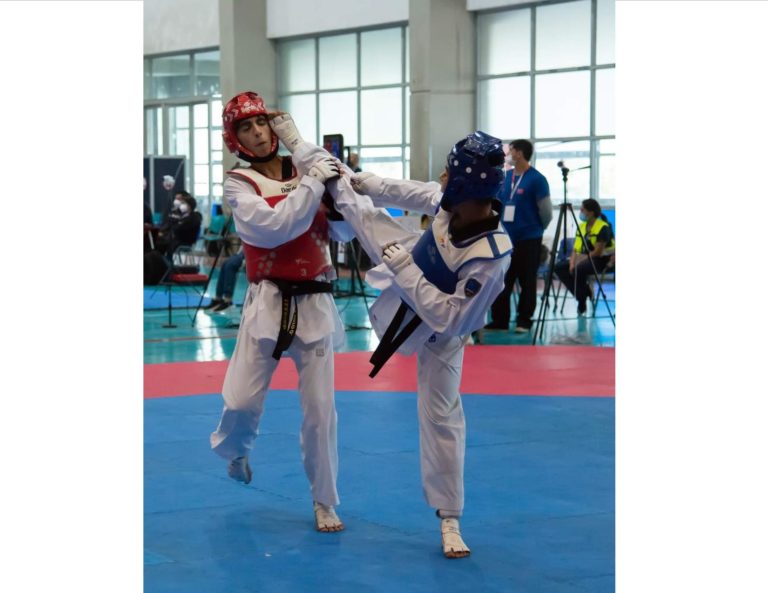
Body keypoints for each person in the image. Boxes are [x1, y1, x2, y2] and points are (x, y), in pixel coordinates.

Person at [270, 115, 512, 558]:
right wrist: (370, 182)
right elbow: (412, 192)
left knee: (442, 419)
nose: (442, 177)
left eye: (449, 171)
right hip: (405, 269)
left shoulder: (490, 257)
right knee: (349, 194)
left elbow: (452, 318)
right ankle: (297, 141)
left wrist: (402, 267)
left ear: (467, 187)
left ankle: (450, 518)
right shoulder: (449, 199)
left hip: (440, 332)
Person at [208, 91, 354, 533]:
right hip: (268, 299)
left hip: (315, 300)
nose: (257, 133)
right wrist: (314, 184)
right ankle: (236, 451)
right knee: (240, 402)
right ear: (236, 141)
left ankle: (324, 500)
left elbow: (345, 228)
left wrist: (335, 195)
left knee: (321, 409)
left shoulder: (307, 165)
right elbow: (273, 229)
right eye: (246, 129)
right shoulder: (239, 183)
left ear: (275, 126)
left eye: (261, 123)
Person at [486, 139, 552, 333]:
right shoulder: (505, 177)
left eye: (511, 150)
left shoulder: (537, 179)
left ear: (520, 153)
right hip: (505, 238)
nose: (508, 154)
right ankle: (500, 320)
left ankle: (524, 320)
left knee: (527, 280)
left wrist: (536, 229)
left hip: (529, 238)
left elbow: (546, 212)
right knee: (502, 279)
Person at [554, 198, 615, 315]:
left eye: (583, 209)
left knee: (579, 268)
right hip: (585, 257)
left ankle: (581, 302)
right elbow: (576, 249)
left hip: (603, 260)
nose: (580, 211)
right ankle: (585, 292)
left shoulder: (603, 227)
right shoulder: (581, 226)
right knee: (560, 267)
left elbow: (598, 251)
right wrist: (572, 262)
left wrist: (580, 260)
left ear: (591, 212)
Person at [156, 191, 203, 258]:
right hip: (176, 238)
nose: (181, 205)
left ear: (189, 205)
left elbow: (179, 228)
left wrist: (177, 223)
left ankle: (166, 263)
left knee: (162, 243)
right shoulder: (181, 215)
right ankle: (162, 261)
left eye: (183, 203)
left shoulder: (194, 217)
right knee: (159, 241)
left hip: (184, 241)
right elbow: (171, 224)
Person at [205, 248, 245, 312]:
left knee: (230, 265)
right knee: (225, 263)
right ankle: (218, 298)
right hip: (243, 252)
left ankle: (228, 300)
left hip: (252, 252)